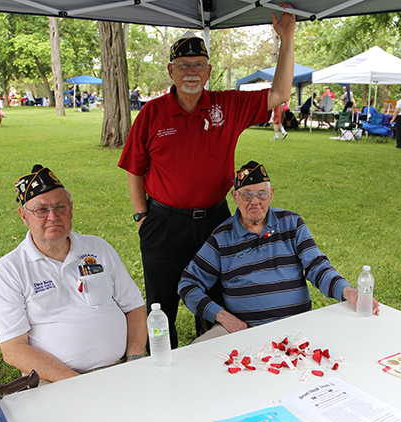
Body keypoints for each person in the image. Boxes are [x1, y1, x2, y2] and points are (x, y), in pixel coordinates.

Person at [178, 162, 401, 422]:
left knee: (324, 394)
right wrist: (223, 316)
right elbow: (188, 284)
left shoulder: (291, 223)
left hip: (297, 333)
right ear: (234, 197)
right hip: (246, 334)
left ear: (272, 194)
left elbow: (317, 266)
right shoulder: (221, 237)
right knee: (194, 371)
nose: (255, 201)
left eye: (262, 193)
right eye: (247, 195)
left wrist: (345, 290)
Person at [118, 5, 296, 349]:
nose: (191, 71)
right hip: (163, 222)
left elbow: (280, 95)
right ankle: (162, 369)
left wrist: (286, 39)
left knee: (217, 299)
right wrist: (142, 216)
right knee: (161, 302)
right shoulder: (152, 113)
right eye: (183, 65)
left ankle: (214, 361)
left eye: (199, 65)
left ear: (209, 70)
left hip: (216, 222)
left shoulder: (226, 106)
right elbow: (134, 168)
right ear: (171, 71)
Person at [0, 165, 147, 383]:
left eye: (60, 207)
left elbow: (134, 306)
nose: (53, 216)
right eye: (41, 210)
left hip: (121, 367)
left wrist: (135, 357)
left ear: (71, 208)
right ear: (24, 216)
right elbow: (13, 349)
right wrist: (77, 384)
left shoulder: (99, 248)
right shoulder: (9, 270)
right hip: (53, 379)